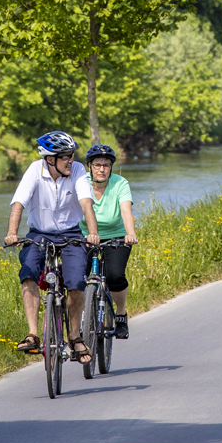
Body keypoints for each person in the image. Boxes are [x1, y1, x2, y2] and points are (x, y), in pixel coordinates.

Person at [5, 130, 100, 361]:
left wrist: (93, 233)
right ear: (50, 159)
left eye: (71, 155)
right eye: (65, 156)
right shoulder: (34, 170)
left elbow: (86, 203)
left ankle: (75, 337)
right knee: (28, 272)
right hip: (39, 234)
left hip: (71, 234)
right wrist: (12, 233)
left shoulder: (77, 170)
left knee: (76, 281)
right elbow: (19, 203)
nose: (71, 160)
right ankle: (33, 334)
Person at [81, 143, 137, 340]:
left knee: (115, 275)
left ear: (111, 167)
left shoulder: (120, 183)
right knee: (76, 277)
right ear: (90, 166)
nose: (102, 169)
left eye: (106, 165)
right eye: (97, 165)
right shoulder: (81, 182)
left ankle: (120, 314)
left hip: (116, 236)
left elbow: (126, 211)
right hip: (85, 236)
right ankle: (80, 317)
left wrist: (130, 234)